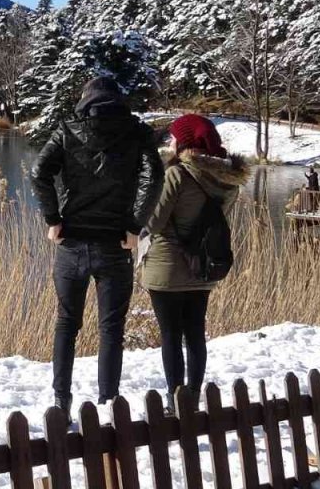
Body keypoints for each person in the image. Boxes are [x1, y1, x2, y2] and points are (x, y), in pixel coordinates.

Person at [30, 76, 164, 414]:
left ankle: (61, 399)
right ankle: (107, 402)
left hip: (72, 241)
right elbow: (155, 176)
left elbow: (38, 172)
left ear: (85, 101)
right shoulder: (136, 132)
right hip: (115, 243)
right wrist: (135, 225)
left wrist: (53, 219)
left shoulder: (69, 128)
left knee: (66, 323)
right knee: (111, 329)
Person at [140, 114, 249, 412]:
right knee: (195, 334)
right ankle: (194, 394)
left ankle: (176, 403)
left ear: (185, 142)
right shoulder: (228, 181)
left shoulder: (177, 175)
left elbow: (154, 221)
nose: (171, 142)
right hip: (203, 267)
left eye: (175, 137)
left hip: (167, 267)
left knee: (171, 336)